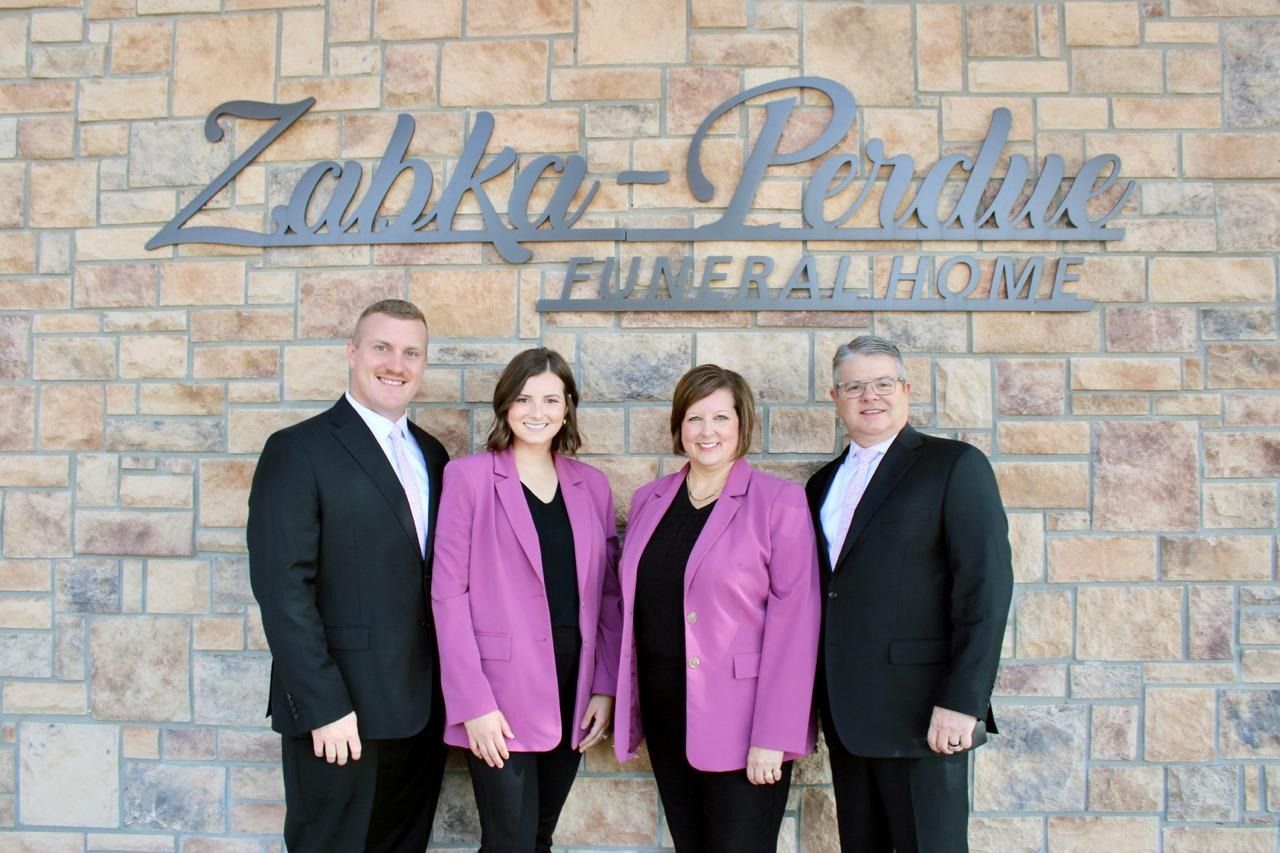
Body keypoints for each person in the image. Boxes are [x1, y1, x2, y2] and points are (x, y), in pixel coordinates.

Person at [247, 299, 450, 852]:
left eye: (412, 352)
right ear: (352, 352)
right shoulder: (298, 449)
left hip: (421, 715)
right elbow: (282, 588)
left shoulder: (433, 454)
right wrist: (325, 707)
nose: (396, 363)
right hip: (341, 718)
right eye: (382, 347)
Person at [805, 335, 1013, 852]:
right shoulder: (820, 484)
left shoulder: (954, 466)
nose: (868, 396)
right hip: (848, 717)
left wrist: (963, 701)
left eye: (882, 383)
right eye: (853, 386)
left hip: (925, 718)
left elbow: (984, 590)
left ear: (906, 390)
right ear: (835, 397)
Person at [613, 364, 820, 853]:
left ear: (742, 424)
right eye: (694, 418)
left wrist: (774, 734)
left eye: (721, 418)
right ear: (678, 427)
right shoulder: (650, 500)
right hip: (669, 716)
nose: (707, 432)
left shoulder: (778, 503)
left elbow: (796, 628)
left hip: (745, 723)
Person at [432, 347, 621, 853]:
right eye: (523, 399)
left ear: (567, 408)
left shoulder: (593, 486)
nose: (537, 412)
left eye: (550, 400)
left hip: (573, 685)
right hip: (499, 691)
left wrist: (603, 686)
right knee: (509, 840)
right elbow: (447, 596)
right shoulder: (469, 479)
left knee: (539, 834)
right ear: (505, 406)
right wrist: (473, 703)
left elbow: (608, 596)